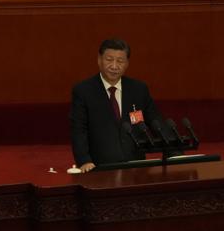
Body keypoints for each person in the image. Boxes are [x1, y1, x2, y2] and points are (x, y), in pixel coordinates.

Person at [70, 39, 163, 170]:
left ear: (127, 64)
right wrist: (84, 160)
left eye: (120, 61)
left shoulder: (138, 89)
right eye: (109, 59)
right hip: (99, 168)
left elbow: (156, 122)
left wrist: (174, 153)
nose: (114, 66)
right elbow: (79, 130)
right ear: (99, 60)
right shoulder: (83, 91)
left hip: (136, 167)